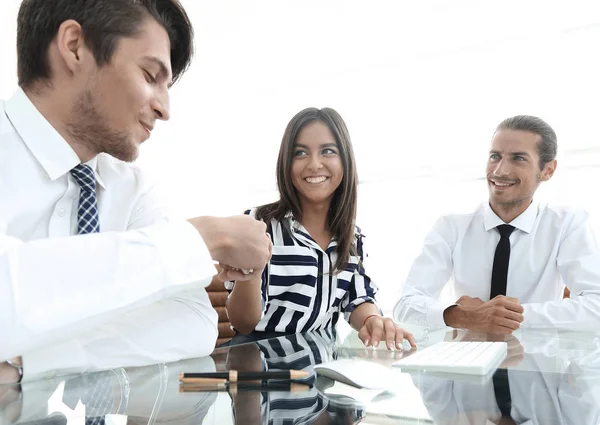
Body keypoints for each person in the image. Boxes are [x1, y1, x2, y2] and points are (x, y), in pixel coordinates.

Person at [0, 0, 272, 383]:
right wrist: (203, 237)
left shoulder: (133, 187)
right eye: (150, 75)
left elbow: (194, 323)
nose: (164, 108)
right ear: (75, 46)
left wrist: (27, 361)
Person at [224, 107, 415, 350]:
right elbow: (243, 323)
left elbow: (356, 299)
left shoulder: (351, 237)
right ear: (286, 162)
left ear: (345, 160)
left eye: (327, 151)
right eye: (300, 153)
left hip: (321, 369)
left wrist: (373, 319)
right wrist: (252, 274)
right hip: (259, 367)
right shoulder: (257, 225)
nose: (314, 164)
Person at [394, 115, 600, 333]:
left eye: (518, 158)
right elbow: (406, 304)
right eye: (495, 156)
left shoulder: (567, 225)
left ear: (547, 170)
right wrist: (463, 316)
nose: (500, 171)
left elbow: (595, 307)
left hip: (537, 363)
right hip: (465, 362)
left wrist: (498, 317)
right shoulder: (451, 227)